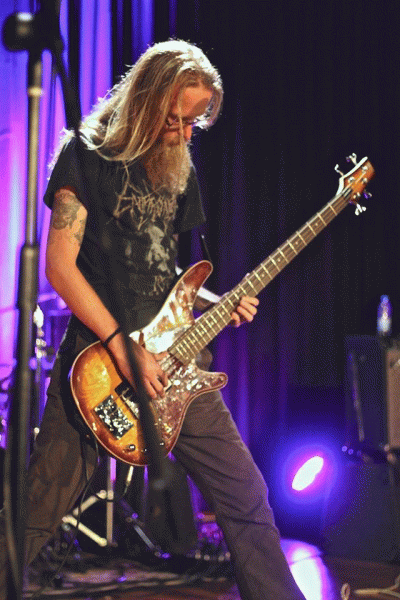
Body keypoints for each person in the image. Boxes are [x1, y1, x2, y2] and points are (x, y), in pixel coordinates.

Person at [0, 40, 306, 600]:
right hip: (98, 365)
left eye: (195, 123)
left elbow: (164, 276)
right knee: (36, 512)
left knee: (245, 497)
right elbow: (60, 267)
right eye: (176, 119)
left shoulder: (179, 167)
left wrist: (217, 302)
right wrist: (124, 349)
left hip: (174, 370)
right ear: (146, 100)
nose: (185, 134)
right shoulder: (86, 156)